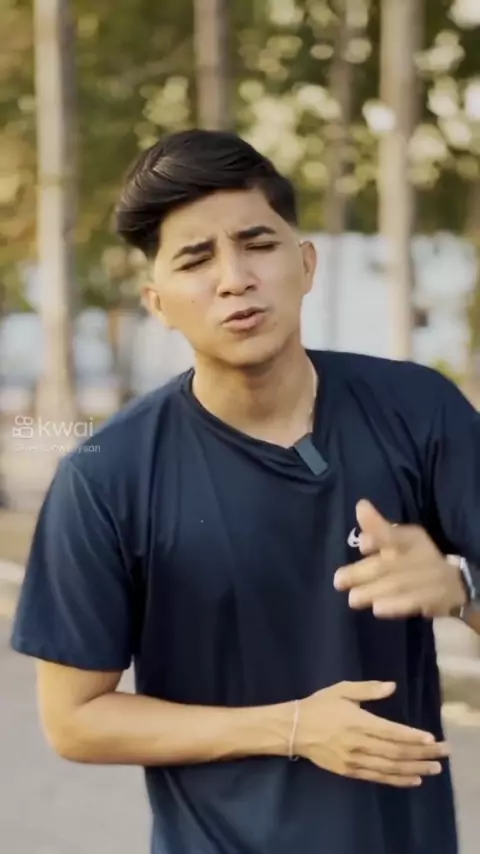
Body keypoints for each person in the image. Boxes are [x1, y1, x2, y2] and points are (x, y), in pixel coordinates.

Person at [11, 129, 480, 854]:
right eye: (196, 259)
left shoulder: (419, 412)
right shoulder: (105, 476)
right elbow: (75, 720)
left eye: (257, 244)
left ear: (306, 263)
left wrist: (460, 590)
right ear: (157, 301)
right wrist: (291, 728)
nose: (234, 278)